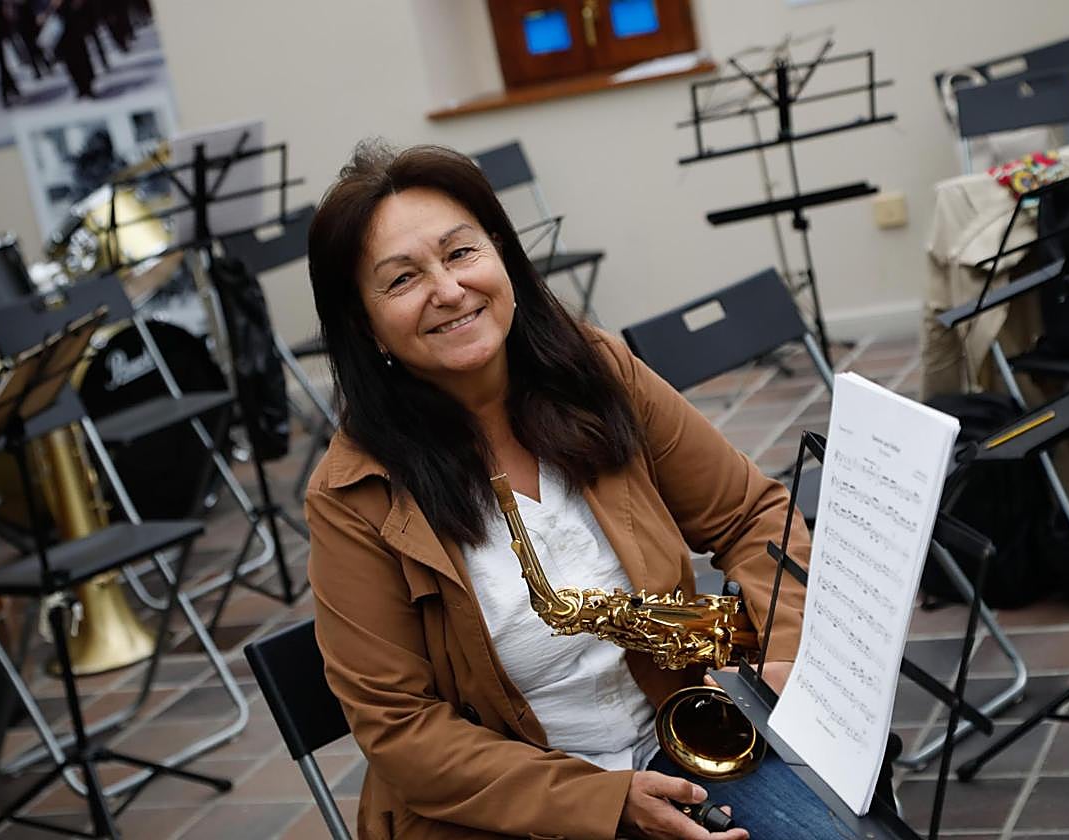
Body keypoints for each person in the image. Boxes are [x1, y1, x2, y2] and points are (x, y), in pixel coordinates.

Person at [305, 142, 828, 840]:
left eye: (460, 253)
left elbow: (750, 514)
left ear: (502, 256)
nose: (449, 290)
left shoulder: (598, 368)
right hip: (514, 815)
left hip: (687, 743)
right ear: (364, 325)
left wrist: (786, 647)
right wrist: (605, 802)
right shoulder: (352, 494)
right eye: (402, 280)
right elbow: (402, 732)